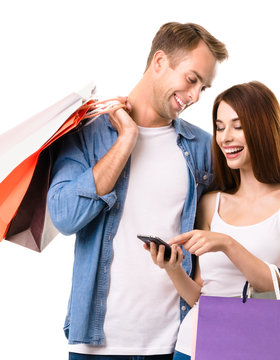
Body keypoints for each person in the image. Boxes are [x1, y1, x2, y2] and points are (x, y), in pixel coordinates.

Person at [47, 22, 228, 360]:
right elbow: (65, 217)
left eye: (203, 87)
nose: (195, 97)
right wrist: (126, 139)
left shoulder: (204, 148)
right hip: (96, 344)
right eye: (192, 80)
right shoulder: (86, 133)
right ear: (159, 62)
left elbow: (232, 224)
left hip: (178, 344)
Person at [146, 81, 280, 360]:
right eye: (219, 126)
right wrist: (174, 269)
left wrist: (228, 244)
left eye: (237, 126)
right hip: (194, 346)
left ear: (264, 129)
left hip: (257, 348)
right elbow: (201, 298)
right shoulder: (210, 203)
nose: (225, 137)